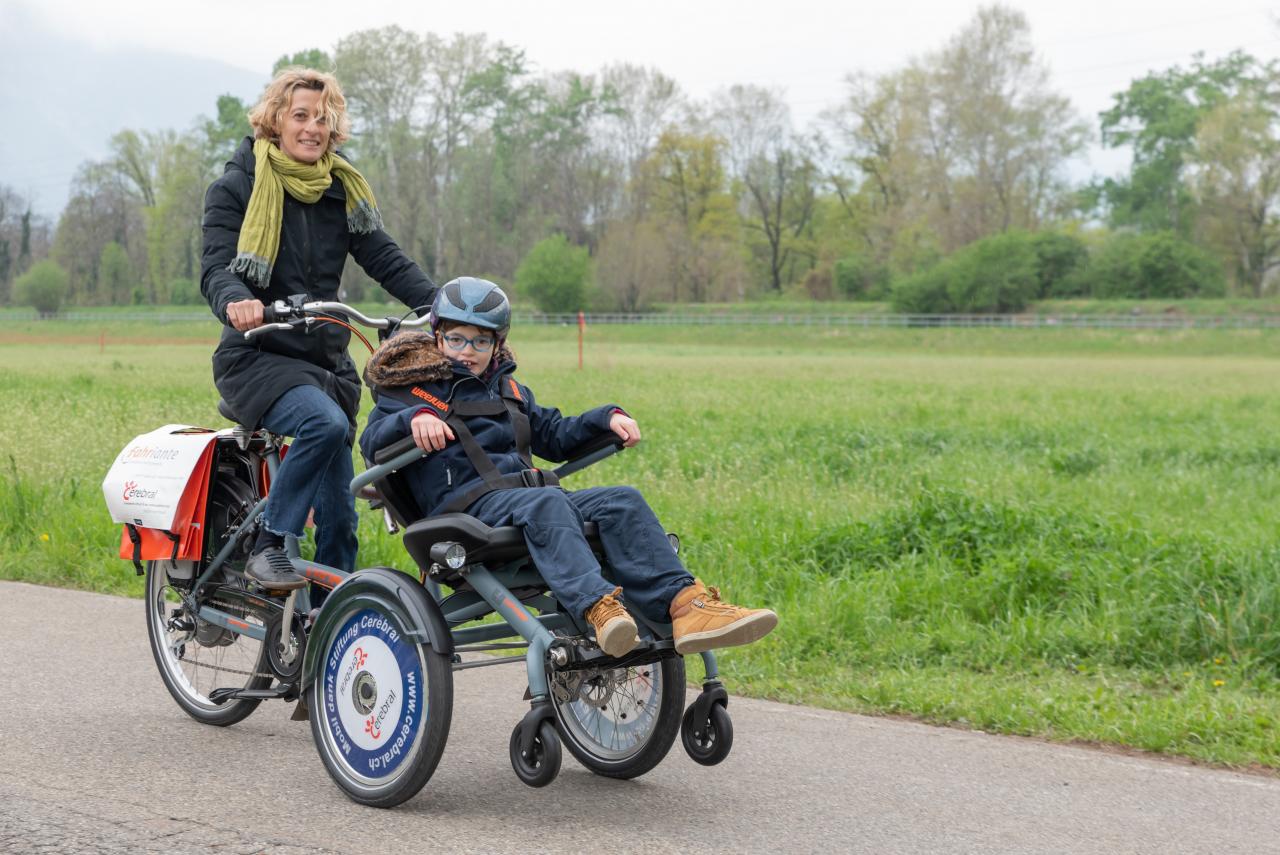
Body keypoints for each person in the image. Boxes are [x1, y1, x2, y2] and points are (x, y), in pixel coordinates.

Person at [359, 277, 778, 657]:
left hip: (527, 502)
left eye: (480, 342)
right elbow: (372, 439)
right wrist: (413, 421)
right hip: (464, 513)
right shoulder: (411, 392)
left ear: (497, 344)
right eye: (456, 339)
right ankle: (599, 608)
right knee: (546, 503)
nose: (467, 352)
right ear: (438, 337)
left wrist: (605, 419)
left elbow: (556, 434)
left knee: (622, 501)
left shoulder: (511, 391)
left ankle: (688, 607)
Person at [201, 67, 436, 590]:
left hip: (327, 367)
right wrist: (238, 299)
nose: (313, 127)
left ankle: (326, 643)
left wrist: (441, 304)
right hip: (257, 358)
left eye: (323, 118)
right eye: (301, 115)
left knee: (341, 521)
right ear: (276, 121)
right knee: (324, 424)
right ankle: (267, 543)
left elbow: (384, 257)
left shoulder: (339, 187)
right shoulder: (237, 186)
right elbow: (215, 267)